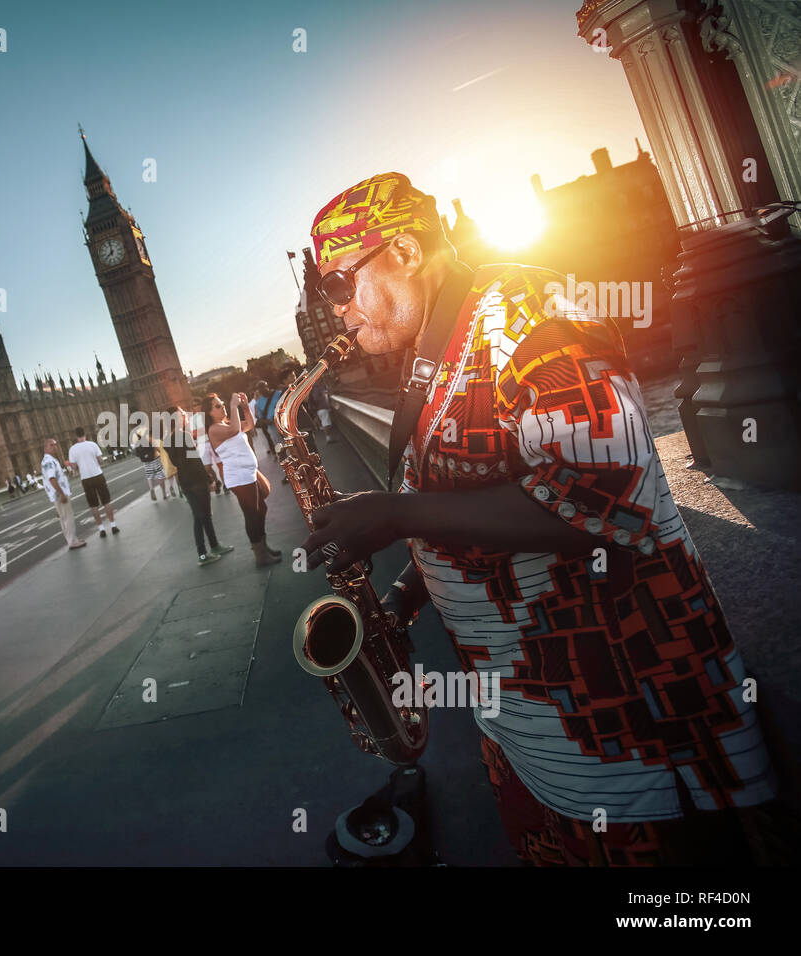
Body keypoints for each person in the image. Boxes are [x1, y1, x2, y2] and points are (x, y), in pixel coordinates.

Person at [300, 171, 778, 865]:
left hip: (628, 723)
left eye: (340, 284)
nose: (337, 312)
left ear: (403, 252)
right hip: (535, 729)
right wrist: (400, 601)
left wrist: (394, 512)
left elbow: (605, 497)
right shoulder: (433, 353)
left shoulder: (536, 310)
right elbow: (462, 505)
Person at [202, 392, 280, 567]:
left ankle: (264, 547)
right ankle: (260, 555)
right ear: (209, 413)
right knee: (252, 514)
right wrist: (232, 406)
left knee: (261, 509)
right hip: (239, 477)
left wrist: (244, 407)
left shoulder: (227, 423)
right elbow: (235, 430)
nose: (222, 407)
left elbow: (250, 425)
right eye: (218, 406)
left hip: (248, 472)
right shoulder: (214, 429)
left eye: (222, 403)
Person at [165, 406, 234, 565]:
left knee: (200, 516)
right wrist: (209, 480)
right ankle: (204, 553)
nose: (185, 415)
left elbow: (177, 463)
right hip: (196, 480)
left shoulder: (168, 439)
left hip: (185, 481)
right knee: (203, 516)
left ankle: (212, 547)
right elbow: (195, 461)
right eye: (182, 413)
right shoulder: (184, 435)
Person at [68, 427, 119, 537]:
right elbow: (100, 460)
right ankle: (113, 526)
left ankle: (101, 530)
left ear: (76, 436)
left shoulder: (72, 449)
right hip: (98, 475)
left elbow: (74, 467)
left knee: (94, 505)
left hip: (86, 479)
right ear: (84, 434)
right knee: (106, 501)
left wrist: (79, 465)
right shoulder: (93, 445)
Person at [41, 438, 86, 550]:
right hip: (59, 495)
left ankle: (72, 539)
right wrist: (61, 494)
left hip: (58, 494)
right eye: (52, 445)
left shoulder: (50, 459)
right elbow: (52, 479)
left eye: (56, 444)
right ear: (46, 447)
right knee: (68, 518)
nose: (55, 447)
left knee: (64, 518)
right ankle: (72, 541)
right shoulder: (48, 461)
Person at [132, 427, 167, 501]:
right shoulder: (146, 430)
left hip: (145, 460)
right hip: (154, 457)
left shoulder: (134, 435)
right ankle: (164, 494)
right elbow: (154, 444)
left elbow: (136, 449)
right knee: (159, 475)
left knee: (149, 476)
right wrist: (160, 451)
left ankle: (151, 489)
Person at [251, 382, 280, 457]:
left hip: (285, 423)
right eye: (260, 389)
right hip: (273, 428)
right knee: (280, 446)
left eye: (263, 388)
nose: (262, 391)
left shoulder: (278, 394)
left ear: (267, 386)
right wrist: (267, 421)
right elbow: (260, 417)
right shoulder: (259, 402)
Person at [308, 377, 336, 443]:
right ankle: (328, 438)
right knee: (326, 423)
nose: (320, 379)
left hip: (323, 408)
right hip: (321, 408)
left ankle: (328, 437)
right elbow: (316, 398)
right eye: (318, 379)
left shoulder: (321, 386)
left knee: (327, 423)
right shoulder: (315, 388)